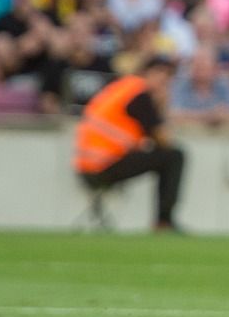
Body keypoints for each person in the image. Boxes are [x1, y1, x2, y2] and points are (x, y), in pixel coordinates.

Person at [73, 57, 184, 232]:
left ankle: (164, 221)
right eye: (161, 74)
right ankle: (164, 222)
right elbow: (164, 140)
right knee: (174, 156)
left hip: (88, 164)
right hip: (104, 164)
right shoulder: (140, 95)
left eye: (168, 77)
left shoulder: (125, 87)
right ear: (147, 72)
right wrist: (163, 104)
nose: (164, 81)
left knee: (166, 155)